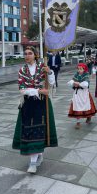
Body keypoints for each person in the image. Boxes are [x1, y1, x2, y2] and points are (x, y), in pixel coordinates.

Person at [12, 46, 58, 174]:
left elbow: (52, 84)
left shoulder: (42, 68)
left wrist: (49, 72)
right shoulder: (22, 70)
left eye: (30, 53)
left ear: (35, 55)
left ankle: (33, 161)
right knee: (30, 130)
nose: (27, 56)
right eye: (25, 53)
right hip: (28, 104)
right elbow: (21, 89)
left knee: (40, 129)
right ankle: (36, 157)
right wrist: (38, 90)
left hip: (42, 103)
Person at [67, 63, 97, 129]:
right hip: (77, 94)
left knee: (87, 106)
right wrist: (73, 83)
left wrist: (79, 84)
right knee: (77, 107)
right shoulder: (76, 75)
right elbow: (70, 82)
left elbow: (86, 84)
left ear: (84, 69)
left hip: (84, 93)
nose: (79, 70)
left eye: (80, 69)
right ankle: (78, 122)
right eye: (78, 69)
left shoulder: (86, 75)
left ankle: (89, 117)